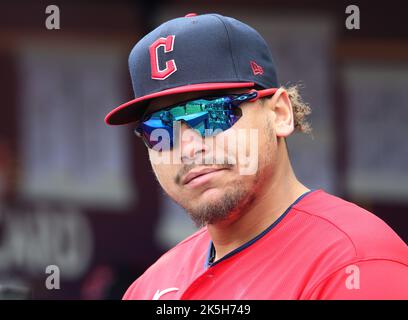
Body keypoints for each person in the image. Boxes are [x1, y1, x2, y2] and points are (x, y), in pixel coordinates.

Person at [105, 13, 408, 299]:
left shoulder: (355, 263)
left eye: (212, 114)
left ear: (279, 114)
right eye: (161, 128)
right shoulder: (149, 287)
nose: (188, 148)